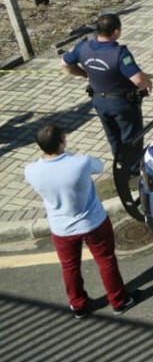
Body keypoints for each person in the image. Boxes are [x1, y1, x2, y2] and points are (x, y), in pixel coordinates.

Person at [24, 123, 140, 319]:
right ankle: (119, 301)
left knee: (70, 267)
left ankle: (78, 305)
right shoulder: (81, 162)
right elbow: (100, 166)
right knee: (105, 261)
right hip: (93, 222)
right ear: (63, 140)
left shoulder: (31, 170)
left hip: (61, 228)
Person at [61, 13, 152, 160]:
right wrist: (149, 83)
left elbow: (65, 64)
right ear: (116, 32)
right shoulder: (120, 53)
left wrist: (85, 74)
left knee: (113, 136)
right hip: (122, 103)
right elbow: (138, 80)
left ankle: (119, 163)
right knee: (131, 138)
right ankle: (133, 170)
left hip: (99, 101)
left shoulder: (82, 47)